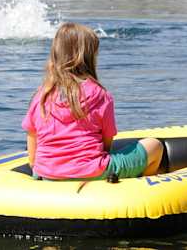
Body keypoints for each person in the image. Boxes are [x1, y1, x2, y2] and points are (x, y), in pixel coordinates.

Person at [22, 22, 163, 181]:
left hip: (47, 174)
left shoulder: (41, 95)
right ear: (89, 58)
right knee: (155, 145)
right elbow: (106, 144)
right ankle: (142, 188)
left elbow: (32, 154)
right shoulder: (100, 95)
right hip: (92, 171)